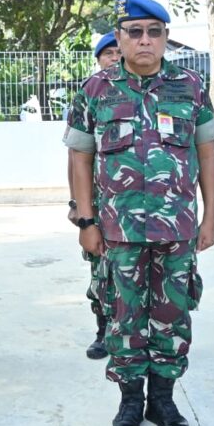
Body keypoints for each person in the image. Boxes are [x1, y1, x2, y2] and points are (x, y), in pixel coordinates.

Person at [65, 0, 214, 426]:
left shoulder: (189, 87)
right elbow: (80, 159)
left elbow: (206, 155)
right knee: (125, 313)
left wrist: (210, 218)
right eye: (135, 32)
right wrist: (86, 222)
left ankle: (164, 400)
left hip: (178, 229)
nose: (145, 40)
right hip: (119, 231)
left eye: (154, 32)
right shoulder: (96, 90)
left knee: (173, 313)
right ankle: (131, 401)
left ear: (166, 38)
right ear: (120, 38)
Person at [67, 31, 120, 360]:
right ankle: (103, 331)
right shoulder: (91, 93)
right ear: (99, 59)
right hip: (98, 204)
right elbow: (76, 158)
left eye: (118, 52)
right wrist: (77, 204)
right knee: (101, 272)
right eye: (108, 54)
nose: (115, 58)